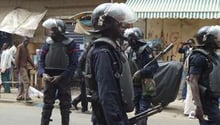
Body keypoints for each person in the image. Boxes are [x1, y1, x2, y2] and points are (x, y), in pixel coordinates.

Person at [84, 3, 137, 125]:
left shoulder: (112, 49)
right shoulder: (103, 52)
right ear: (106, 24)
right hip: (107, 117)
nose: (123, 26)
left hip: (113, 114)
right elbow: (107, 94)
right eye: (119, 23)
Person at [38, 18, 78, 125]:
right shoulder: (48, 43)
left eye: (53, 30)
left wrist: (61, 76)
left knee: (65, 106)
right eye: (50, 29)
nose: (51, 32)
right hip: (49, 77)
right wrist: (43, 73)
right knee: (47, 105)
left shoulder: (70, 44)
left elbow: (73, 64)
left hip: (64, 78)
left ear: (60, 30)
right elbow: (41, 60)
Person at [124, 27, 159, 125]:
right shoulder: (130, 50)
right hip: (134, 85)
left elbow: (154, 67)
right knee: (137, 111)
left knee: (143, 111)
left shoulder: (146, 49)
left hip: (146, 84)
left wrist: (141, 72)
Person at [189, 25, 220, 125]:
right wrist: (198, 106)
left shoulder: (214, 56)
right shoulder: (199, 57)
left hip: (214, 98)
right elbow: (193, 81)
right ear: (208, 39)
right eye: (216, 37)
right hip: (206, 101)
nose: (218, 40)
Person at [15, 37, 36, 101]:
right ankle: (26, 96)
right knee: (26, 82)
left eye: (28, 41)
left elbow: (28, 58)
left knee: (22, 83)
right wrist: (17, 68)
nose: (27, 42)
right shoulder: (20, 47)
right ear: (23, 41)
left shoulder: (26, 48)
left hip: (24, 67)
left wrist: (33, 65)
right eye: (26, 41)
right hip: (21, 67)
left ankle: (20, 96)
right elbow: (17, 58)